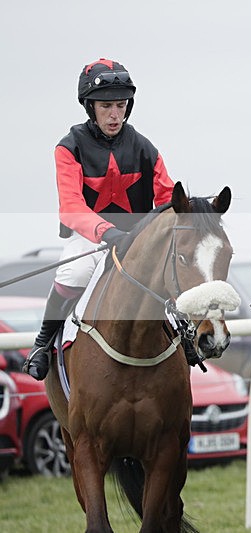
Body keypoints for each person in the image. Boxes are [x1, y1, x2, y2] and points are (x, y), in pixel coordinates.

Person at [23, 58, 174, 380]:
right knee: (75, 272)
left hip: (137, 239)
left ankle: (186, 340)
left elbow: (166, 199)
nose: (115, 114)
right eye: (107, 106)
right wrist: (106, 232)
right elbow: (71, 206)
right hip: (91, 237)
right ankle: (43, 343)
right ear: (90, 107)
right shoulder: (70, 147)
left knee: (172, 275)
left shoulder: (145, 147)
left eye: (121, 105)